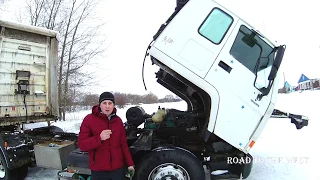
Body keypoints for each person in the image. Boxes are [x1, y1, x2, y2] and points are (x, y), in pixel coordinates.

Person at [78, 92, 135, 180]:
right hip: (99, 170)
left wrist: (130, 164)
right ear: (99, 105)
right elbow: (82, 145)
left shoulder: (118, 121)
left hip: (118, 169)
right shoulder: (89, 120)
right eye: (104, 103)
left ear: (113, 105)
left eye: (110, 103)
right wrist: (99, 138)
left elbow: (123, 145)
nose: (107, 106)